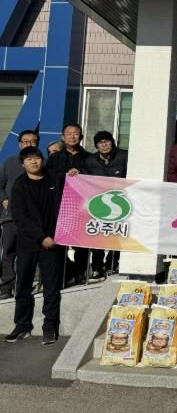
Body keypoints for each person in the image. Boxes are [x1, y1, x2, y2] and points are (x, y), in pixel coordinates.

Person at [4, 146, 64, 345]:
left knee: (51, 288)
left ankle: (50, 327)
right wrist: (41, 237)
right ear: (23, 164)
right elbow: (20, 217)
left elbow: (71, 194)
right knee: (23, 286)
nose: (33, 161)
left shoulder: (54, 178)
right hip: (28, 243)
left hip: (52, 243)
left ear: (42, 160)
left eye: (36, 158)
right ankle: (22, 326)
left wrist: (74, 174)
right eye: (29, 159)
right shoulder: (19, 186)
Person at [81, 131, 128, 278]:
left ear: (112, 143)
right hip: (98, 203)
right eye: (101, 143)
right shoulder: (89, 161)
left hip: (120, 202)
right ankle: (97, 266)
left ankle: (111, 264)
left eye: (107, 141)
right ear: (96, 145)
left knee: (117, 234)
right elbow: (84, 180)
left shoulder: (124, 156)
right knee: (97, 235)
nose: (104, 145)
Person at [46, 123, 89, 284]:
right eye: (68, 134)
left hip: (81, 206)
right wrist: (64, 175)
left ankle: (80, 275)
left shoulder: (89, 158)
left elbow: (93, 178)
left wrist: (81, 174)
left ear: (81, 137)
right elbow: (48, 178)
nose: (72, 136)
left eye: (76, 133)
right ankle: (61, 276)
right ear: (63, 138)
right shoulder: (54, 158)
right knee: (58, 243)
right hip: (59, 206)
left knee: (81, 243)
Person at [0, 130, 39, 300]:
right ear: (19, 144)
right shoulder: (10, 162)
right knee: (8, 253)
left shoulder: (41, 164)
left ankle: (26, 285)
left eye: (33, 141)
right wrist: (4, 199)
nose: (29, 144)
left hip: (32, 219)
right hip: (10, 217)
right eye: (25, 141)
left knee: (28, 253)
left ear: (37, 144)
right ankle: (6, 287)